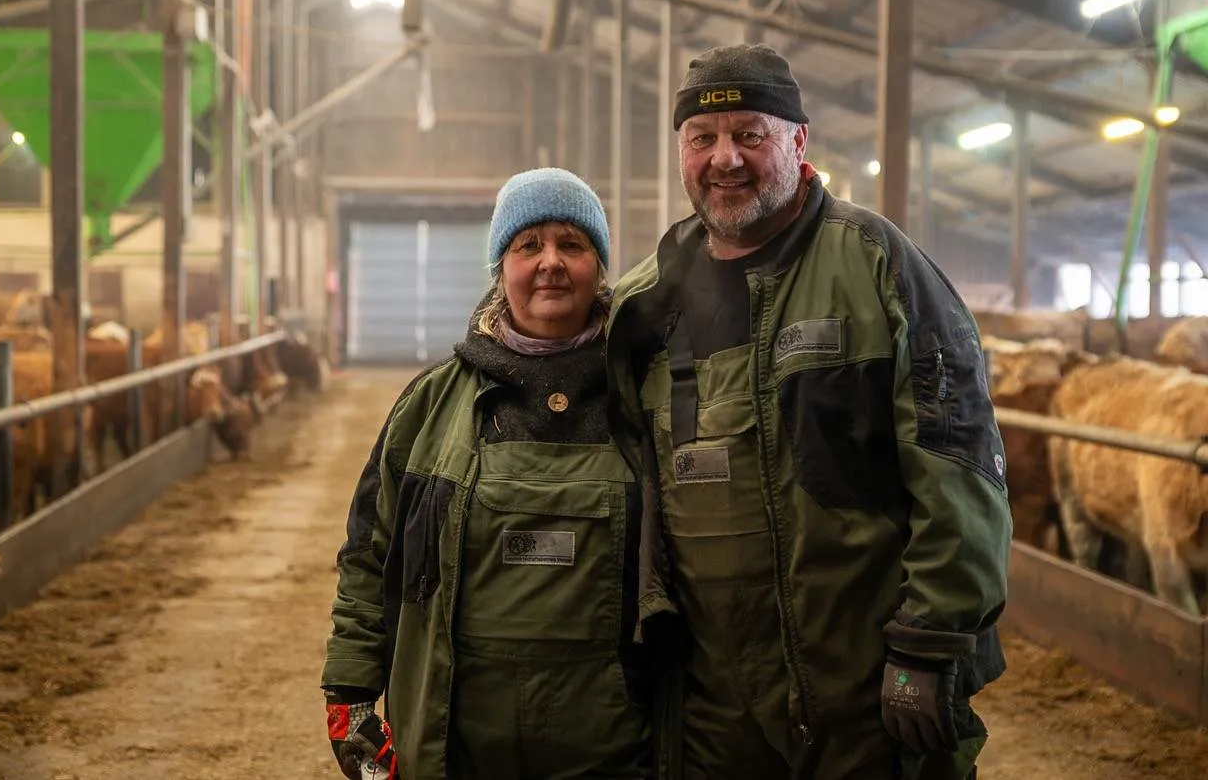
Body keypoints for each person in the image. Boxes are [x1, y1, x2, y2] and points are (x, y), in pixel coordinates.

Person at [603, 43, 1013, 780]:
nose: (725, 158)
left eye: (749, 135)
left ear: (798, 141)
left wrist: (929, 642)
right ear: (680, 152)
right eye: (702, 138)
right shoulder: (643, 303)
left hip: (865, 694)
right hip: (714, 705)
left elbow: (958, 463)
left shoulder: (878, 266)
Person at [321, 167, 652, 780]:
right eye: (528, 246)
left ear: (599, 268)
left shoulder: (646, 400)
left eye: (572, 244)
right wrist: (351, 688)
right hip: (458, 738)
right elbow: (370, 555)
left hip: (613, 743)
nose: (551, 263)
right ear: (502, 269)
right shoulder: (429, 406)